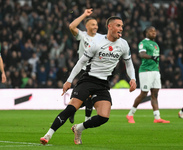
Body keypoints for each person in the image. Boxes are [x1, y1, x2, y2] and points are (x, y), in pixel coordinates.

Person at [40, 16, 137, 145]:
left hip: (103, 84)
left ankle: (78, 128)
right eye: (118, 26)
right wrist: (69, 81)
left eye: (122, 26)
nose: (121, 29)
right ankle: (48, 135)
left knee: (103, 117)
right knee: (71, 108)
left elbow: (129, 63)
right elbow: (81, 63)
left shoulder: (123, 44)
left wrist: (133, 79)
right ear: (110, 27)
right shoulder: (97, 42)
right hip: (88, 79)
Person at [126, 26, 170, 124]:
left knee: (155, 94)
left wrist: (158, 69)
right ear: (146, 33)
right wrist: (152, 57)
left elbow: (156, 60)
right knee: (144, 94)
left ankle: (157, 117)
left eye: (155, 31)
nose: (154, 33)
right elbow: (142, 54)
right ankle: (130, 114)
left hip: (155, 71)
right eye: (151, 31)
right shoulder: (143, 43)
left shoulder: (155, 44)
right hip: (146, 71)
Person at [68, 8, 103, 123]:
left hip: (95, 70)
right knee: (80, 95)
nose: (95, 26)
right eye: (93, 24)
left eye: (96, 24)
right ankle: (72, 112)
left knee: (90, 95)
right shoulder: (82, 36)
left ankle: (87, 119)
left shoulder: (101, 38)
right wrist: (84, 15)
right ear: (86, 26)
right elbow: (71, 26)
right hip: (83, 69)